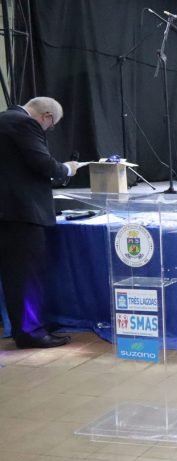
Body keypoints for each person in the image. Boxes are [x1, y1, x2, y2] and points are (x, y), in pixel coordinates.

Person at [0, 97, 79, 349]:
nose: (48, 129)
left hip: (7, 212)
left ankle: (26, 325)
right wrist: (67, 169)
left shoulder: (4, 119)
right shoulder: (24, 123)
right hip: (21, 212)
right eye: (51, 125)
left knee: (14, 275)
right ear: (47, 116)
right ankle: (30, 332)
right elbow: (43, 163)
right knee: (26, 276)